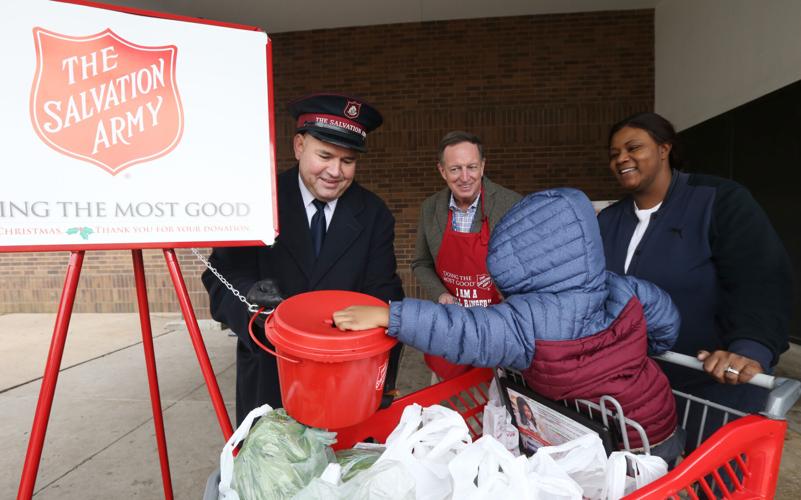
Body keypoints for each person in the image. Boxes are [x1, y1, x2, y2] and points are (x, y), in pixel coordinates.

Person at [334, 188, 685, 462]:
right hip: (659, 425)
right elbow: (666, 322)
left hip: (596, 446)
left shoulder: (524, 321)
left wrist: (390, 316)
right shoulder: (625, 289)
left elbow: (461, 330)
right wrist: (639, 350)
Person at [202, 93, 404, 425]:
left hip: (346, 382)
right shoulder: (258, 201)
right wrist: (250, 300)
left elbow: (384, 294)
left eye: (348, 160)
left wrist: (380, 384)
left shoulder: (374, 215)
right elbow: (221, 276)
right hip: (270, 378)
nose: (335, 171)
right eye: (324, 155)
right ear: (299, 146)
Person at [597, 112, 793, 427]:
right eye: (614, 154)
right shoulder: (608, 221)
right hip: (637, 393)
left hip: (713, 393)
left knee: (711, 477)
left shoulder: (720, 200)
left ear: (664, 149)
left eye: (634, 148)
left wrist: (749, 348)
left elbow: (761, 281)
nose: (622, 159)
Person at [412, 131, 521, 380]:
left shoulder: (512, 205)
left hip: (498, 328)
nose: (464, 177)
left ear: (482, 166)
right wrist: (440, 294)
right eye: (455, 169)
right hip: (451, 328)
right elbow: (421, 263)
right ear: (441, 170)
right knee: (450, 405)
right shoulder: (430, 209)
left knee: (496, 405)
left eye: (471, 167)